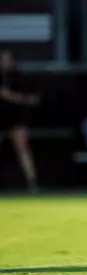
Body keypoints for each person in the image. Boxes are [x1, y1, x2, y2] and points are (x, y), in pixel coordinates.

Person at [0, 49, 40, 192]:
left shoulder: (19, 78)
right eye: (2, 59)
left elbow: (33, 99)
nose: (5, 62)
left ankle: (32, 183)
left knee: (22, 148)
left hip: (15, 118)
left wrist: (10, 96)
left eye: (8, 59)